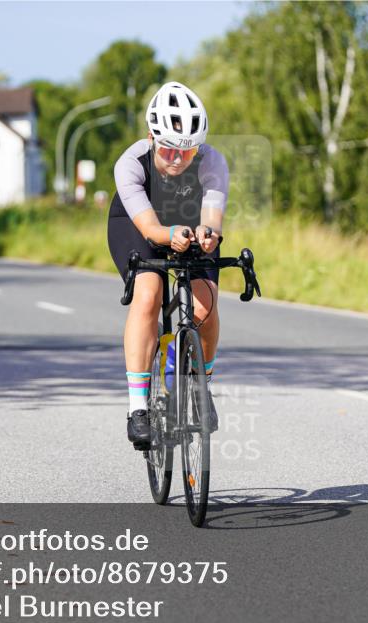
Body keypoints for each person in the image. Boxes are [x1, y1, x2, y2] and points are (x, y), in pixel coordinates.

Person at [106, 81, 228, 449]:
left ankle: (199, 386)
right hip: (138, 223)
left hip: (187, 222)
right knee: (149, 292)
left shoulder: (213, 161)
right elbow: (149, 228)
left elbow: (212, 220)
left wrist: (208, 235)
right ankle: (138, 407)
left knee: (205, 302)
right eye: (169, 150)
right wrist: (168, 233)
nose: (177, 159)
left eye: (187, 152)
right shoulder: (131, 163)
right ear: (151, 137)